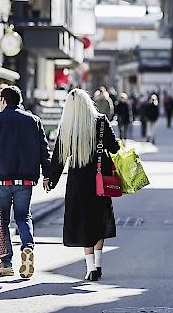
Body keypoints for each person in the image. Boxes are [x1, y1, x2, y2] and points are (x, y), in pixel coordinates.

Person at [48, 89, 120, 281]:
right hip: (99, 178)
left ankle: (90, 269)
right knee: (99, 220)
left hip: (78, 180)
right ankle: (98, 265)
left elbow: (59, 158)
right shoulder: (102, 121)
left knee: (84, 222)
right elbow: (114, 148)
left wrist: (50, 180)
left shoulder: (68, 126)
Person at [0, 86, 51, 279]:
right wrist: (47, 175)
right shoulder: (33, 121)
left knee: (2, 220)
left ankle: (6, 262)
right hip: (26, 180)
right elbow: (44, 150)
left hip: (1, 180)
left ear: (3, 100)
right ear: (19, 100)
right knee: (23, 216)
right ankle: (27, 246)